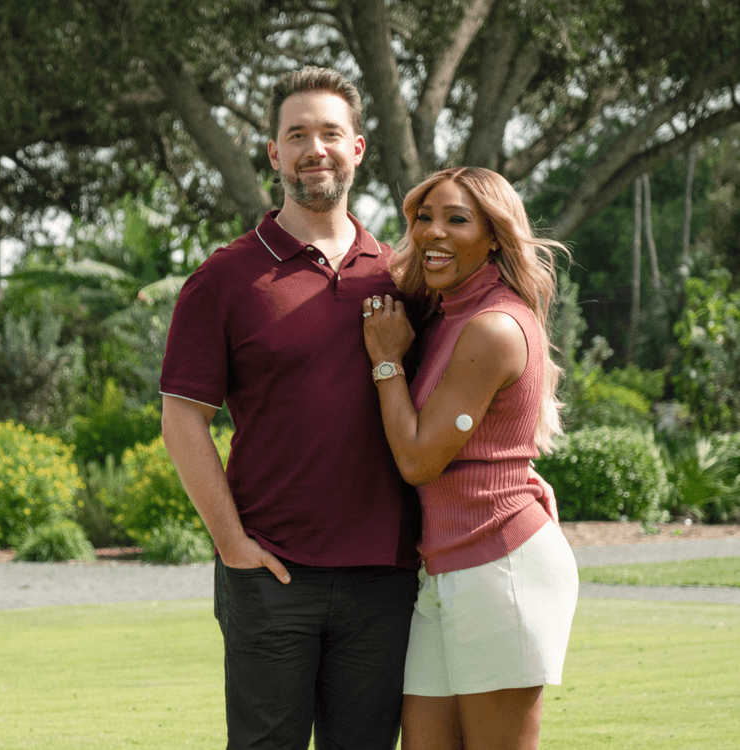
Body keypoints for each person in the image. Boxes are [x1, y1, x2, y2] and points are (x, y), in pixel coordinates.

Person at [160, 66, 421, 750]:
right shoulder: (223, 279)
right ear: (273, 154)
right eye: (296, 134)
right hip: (269, 573)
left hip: (384, 576)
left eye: (330, 133)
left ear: (358, 148)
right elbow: (183, 419)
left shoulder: (400, 275)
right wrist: (231, 543)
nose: (315, 148)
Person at [361, 166, 579, 750]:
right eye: (423, 218)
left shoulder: (493, 327)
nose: (434, 232)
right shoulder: (444, 312)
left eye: (457, 219)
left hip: (500, 568)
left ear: (494, 237)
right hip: (444, 568)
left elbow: (416, 462)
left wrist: (385, 361)